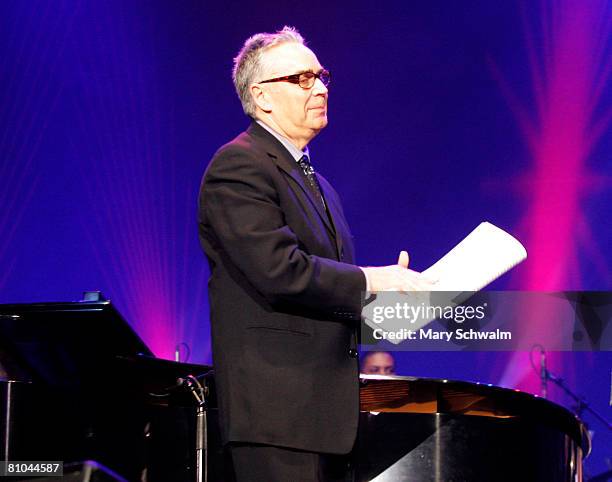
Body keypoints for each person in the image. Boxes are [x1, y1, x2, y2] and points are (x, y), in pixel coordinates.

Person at [198, 26, 430, 482]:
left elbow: (325, 291)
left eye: (321, 75)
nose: (321, 87)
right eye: (302, 79)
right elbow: (278, 271)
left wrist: (388, 306)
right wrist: (370, 280)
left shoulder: (320, 185)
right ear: (262, 97)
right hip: (277, 415)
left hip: (329, 417)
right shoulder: (239, 165)